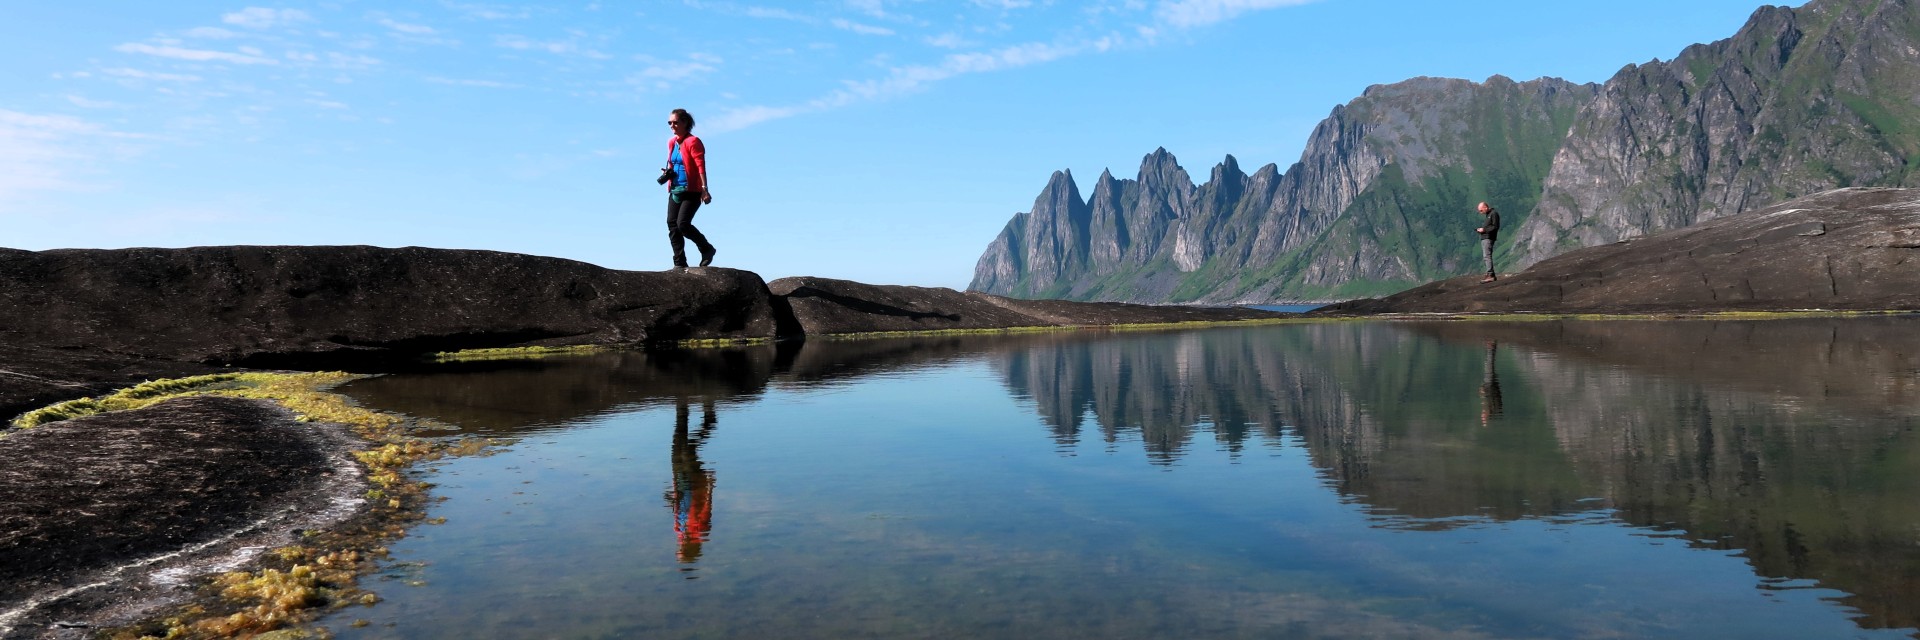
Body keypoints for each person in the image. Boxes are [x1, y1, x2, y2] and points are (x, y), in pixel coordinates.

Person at [663, 108, 716, 268]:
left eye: (675, 122)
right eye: (669, 123)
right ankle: (679, 263)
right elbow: (675, 163)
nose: (672, 125)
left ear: (685, 122)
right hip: (675, 189)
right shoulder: (672, 142)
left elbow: (701, 166)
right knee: (672, 225)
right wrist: (668, 172)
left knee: (683, 224)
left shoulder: (693, 141)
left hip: (692, 190)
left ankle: (706, 249)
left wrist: (704, 188)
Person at [1475, 201, 1500, 283]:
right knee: (1486, 256)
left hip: (1489, 238)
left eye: (1481, 210)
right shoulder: (1488, 215)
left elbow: (1495, 226)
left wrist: (1484, 230)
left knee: (1487, 256)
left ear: (1485, 207)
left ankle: (1490, 275)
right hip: (1485, 237)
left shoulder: (1493, 214)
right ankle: (1490, 273)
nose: (1480, 212)